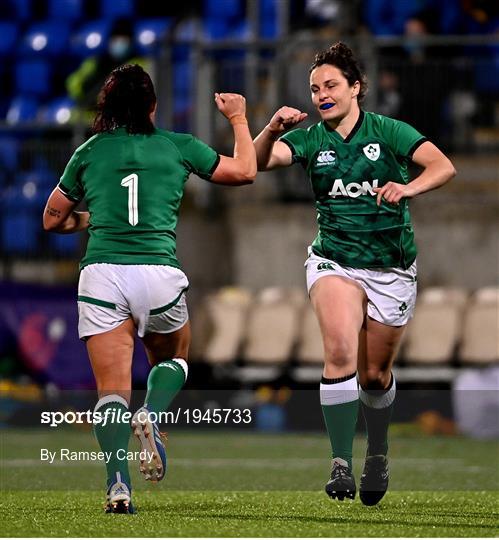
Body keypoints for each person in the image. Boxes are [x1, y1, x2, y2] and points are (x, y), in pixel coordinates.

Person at [43, 64, 256, 514]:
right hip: (157, 272)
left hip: (102, 272)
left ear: (108, 107)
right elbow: (243, 172)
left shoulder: (89, 150)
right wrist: (238, 118)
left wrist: (97, 219)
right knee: (175, 357)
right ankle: (153, 415)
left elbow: (52, 219)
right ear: (153, 106)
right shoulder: (178, 146)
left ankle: (117, 484)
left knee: (111, 392)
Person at [253, 42, 456, 505]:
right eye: (314, 88)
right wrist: (269, 128)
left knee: (374, 376)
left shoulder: (389, 131)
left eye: (330, 85)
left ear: (355, 88)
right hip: (334, 260)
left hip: (391, 268)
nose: (321, 94)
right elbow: (258, 163)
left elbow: (443, 166)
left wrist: (407, 187)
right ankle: (340, 463)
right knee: (339, 350)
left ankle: (378, 452)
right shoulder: (309, 139)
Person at [67, 18, 148, 120]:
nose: (119, 44)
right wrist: (86, 92)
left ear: (131, 43)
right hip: (89, 116)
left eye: (124, 41)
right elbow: (73, 84)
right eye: (115, 40)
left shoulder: (139, 64)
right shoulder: (94, 62)